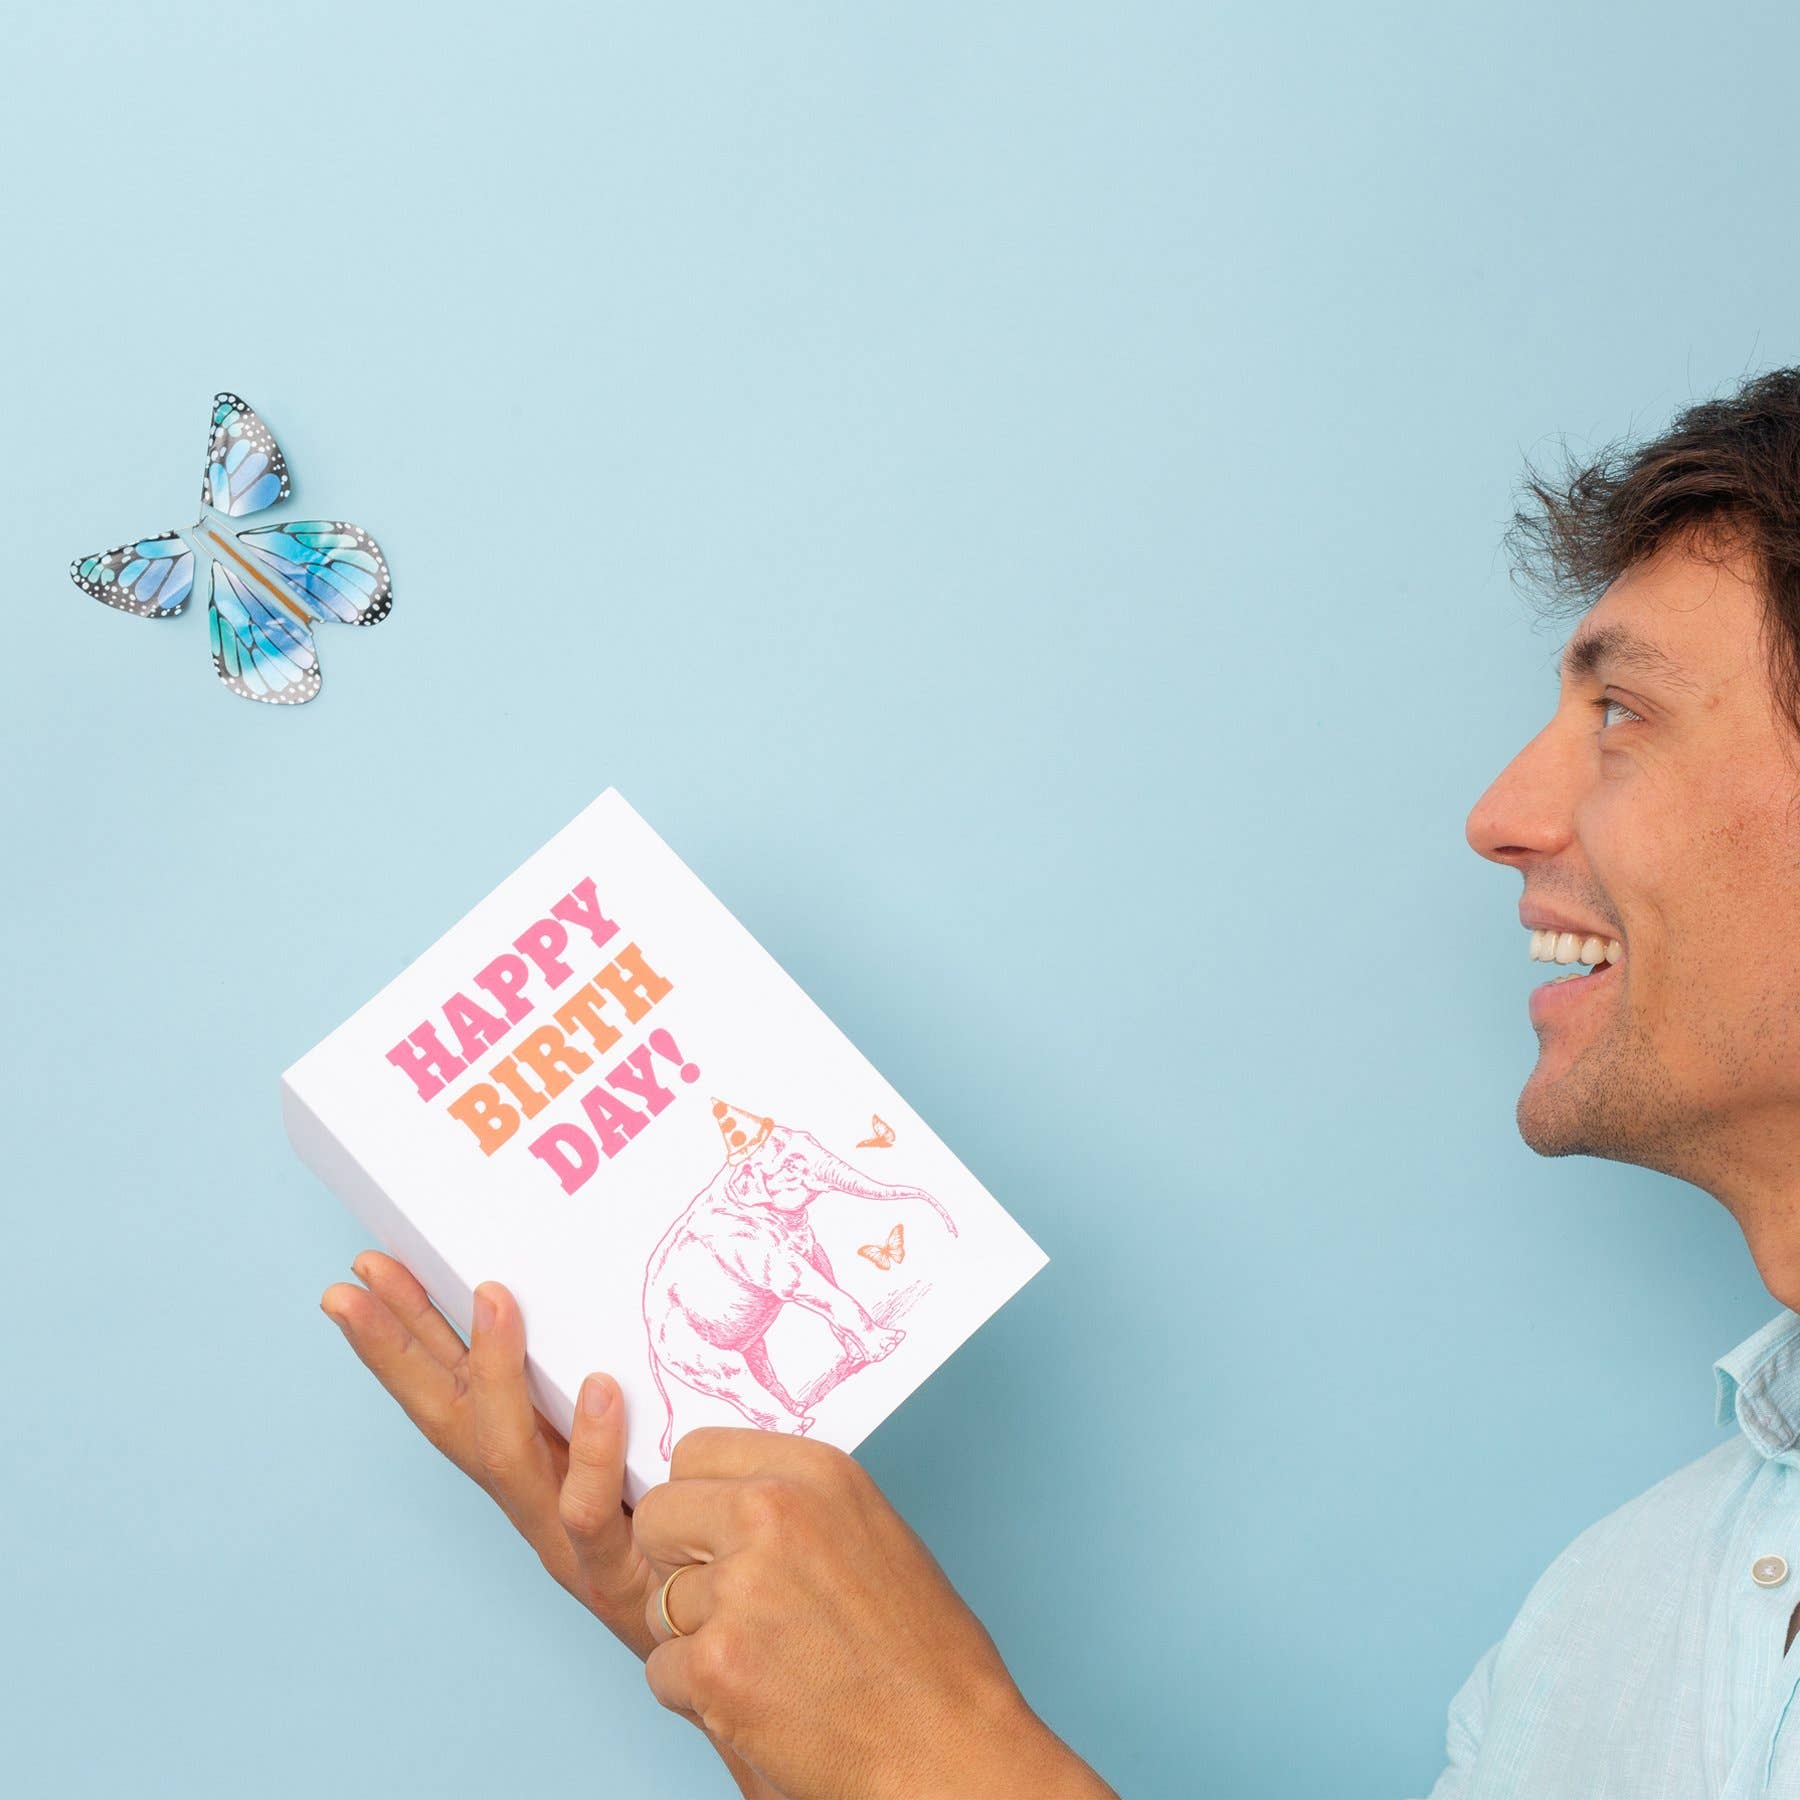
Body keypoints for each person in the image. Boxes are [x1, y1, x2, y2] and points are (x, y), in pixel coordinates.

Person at [321, 365, 1800, 1796]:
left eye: (1622, 713)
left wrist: (942, 1751)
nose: (1501, 813)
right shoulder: (1594, 1639)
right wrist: (764, 1689)